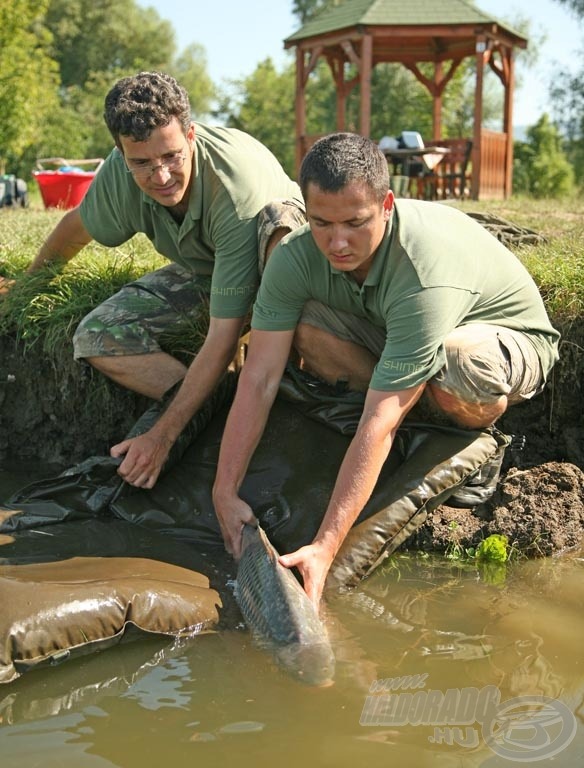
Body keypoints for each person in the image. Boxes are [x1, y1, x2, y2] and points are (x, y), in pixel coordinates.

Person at [212, 132, 560, 606]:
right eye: (321, 223)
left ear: (387, 204)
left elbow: (381, 420)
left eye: (355, 223)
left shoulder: (423, 271)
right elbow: (259, 376)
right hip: (397, 328)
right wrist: (224, 489)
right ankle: (411, 392)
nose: (337, 242)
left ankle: (475, 447)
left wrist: (324, 546)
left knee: (459, 366)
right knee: (303, 325)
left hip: (500, 339)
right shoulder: (295, 255)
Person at [16, 71, 304, 489]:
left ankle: (282, 399)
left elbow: (221, 338)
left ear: (190, 134)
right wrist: (28, 286)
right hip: (209, 270)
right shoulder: (120, 175)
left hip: (279, 262)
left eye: (171, 156)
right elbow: (77, 227)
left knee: (281, 236)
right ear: (120, 153)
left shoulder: (233, 185)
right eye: (142, 163)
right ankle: (222, 405)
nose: (162, 176)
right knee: (96, 335)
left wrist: (162, 435)